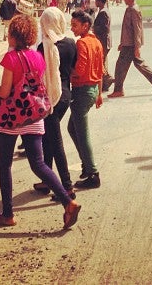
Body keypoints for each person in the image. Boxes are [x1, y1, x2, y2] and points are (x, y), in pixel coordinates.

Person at [0, 14, 80, 230]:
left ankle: (8, 214)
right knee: (39, 164)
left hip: (11, 118)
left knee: (4, 165)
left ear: (14, 35)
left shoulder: (10, 59)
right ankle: (68, 201)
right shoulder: (37, 56)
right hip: (34, 115)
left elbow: (5, 92)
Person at [33, 7, 77, 199]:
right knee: (47, 138)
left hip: (50, 97)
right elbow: (71, 68)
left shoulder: (45, 47)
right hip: (65, 94)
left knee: (55, 141)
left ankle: (66, 186)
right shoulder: (70, 43)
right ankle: (47, 180)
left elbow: (40, 74)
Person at [68, 10, 104, 189]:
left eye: (75, 25)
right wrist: (99, 93)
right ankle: (86, 165)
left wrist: (65, 73)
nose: (72, 28)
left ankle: (92, 173)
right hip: (91, 90)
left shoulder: (81, 43)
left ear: (85, 26)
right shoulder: (97, 42)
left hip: (82, 91)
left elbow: (80, 70)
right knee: (73, 129)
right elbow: (101, 69)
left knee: (82, 133)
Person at [108, 0, 152, 98]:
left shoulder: (134, 10)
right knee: (139, 64)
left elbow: (137, 29)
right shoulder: (130, 9)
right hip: (128, 43)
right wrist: (122, 43)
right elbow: (127, 29)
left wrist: (137, 46)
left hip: (131, 45)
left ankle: (118, 90)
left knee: (120, 66)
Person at [93, 0, 115, 92]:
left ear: (100, 1)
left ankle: (108, 78)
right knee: (102, 62)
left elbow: (104, 28)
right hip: (104, 41)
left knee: (100, 62)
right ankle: (105, 83)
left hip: (104, 42)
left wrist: (94, 28)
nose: (95, 2)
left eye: (96, 0)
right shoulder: (103, 11)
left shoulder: (103, 12)